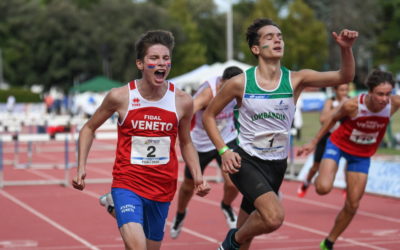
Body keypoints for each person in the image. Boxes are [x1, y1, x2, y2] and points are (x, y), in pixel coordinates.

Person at [202, 18, 358, 250]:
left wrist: (345, 49)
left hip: (276, 164)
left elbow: (344, 76)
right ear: (256, 49)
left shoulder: (297, 79)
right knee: (273, 217)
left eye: (280, 36)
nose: (277, 39)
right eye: (269, 37)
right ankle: (231, 240)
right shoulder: (239, 83)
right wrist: (224, 151)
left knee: (250, 234)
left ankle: (237, 240)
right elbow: (208, 116)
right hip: (246, 161)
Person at [72, 30, 211, 250]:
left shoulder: (182, 101)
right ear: (140, 63)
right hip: (128, 183)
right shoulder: (121, 96)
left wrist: (198, 176)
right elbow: (88, 128)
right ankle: (118, 203)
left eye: (166, 58)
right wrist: (81, 166)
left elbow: (185, 142)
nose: (161, 63)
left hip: (162, 187)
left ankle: (113, 207)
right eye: (154, 58)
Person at [297, 69, 400, 250]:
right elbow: (331, 120)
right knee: (322, 188)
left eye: (388, 94)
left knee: (353, 204)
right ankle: (326, 172)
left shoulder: (394, 104)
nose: (385, 99)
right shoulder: (353, 106)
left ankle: (329, 242)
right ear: (369, 92)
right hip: (338, 145)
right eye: (380, 94)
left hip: (361, 155)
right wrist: (313, 142)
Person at [170, 66, 243, 239]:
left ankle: (226, 205)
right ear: (222, 83)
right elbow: (184, 113)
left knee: (234, 183)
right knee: (188, 186)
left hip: (226, 138)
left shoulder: (240, 88)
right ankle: (180, 214)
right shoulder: (207, 93)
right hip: (201, 143)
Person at [297, 83, 350, 197]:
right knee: (316, 166)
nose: (344, 93)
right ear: (335, 90)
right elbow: (323, 119)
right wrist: (340, 105)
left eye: (346, 90)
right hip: (327, 137)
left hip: (343, 138)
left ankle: (347, 186)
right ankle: (306, 183)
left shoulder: (350, 102)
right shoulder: (330, 102)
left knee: (348, 162)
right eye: (341, 90)